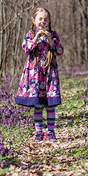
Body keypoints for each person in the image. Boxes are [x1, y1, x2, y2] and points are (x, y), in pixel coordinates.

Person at [15, 8, 64, 141]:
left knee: (50, 104)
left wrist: (50, 40)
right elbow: (26, 48)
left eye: (46, 19)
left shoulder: (53, 34)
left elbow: (59, 51)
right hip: (35, 74)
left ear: (49, 21)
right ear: (34, 21)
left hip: (49, 73)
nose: (43, 22)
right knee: (37, 104)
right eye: (40, 19)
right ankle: (38, 131)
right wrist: (36, 37)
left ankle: (51, 131)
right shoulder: (30, 35)